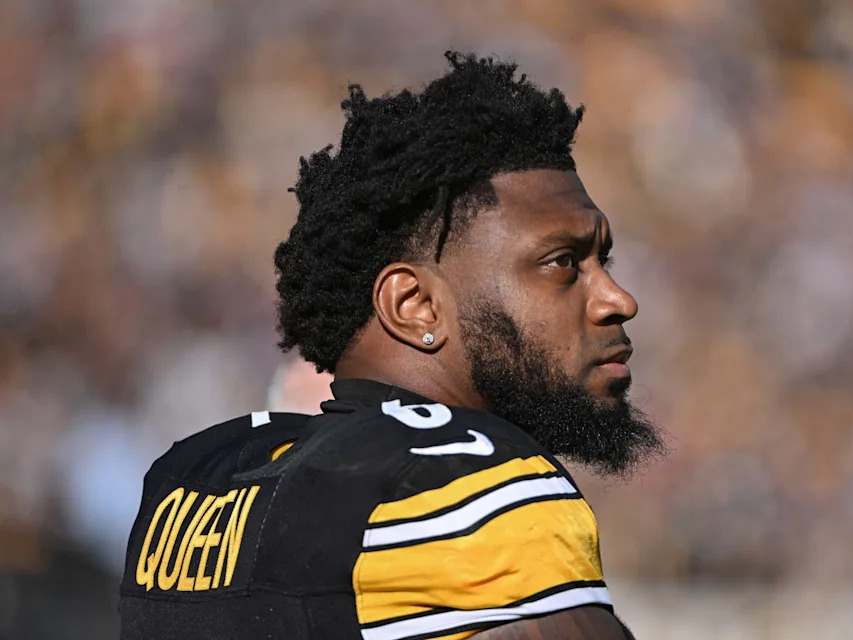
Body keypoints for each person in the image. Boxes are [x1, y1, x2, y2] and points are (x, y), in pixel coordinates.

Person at [120, 51, 663, 639]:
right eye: (563, 262)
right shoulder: (477, 480)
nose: (617, 298)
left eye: (601, 260)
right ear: (415, 306)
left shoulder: (195, 478)